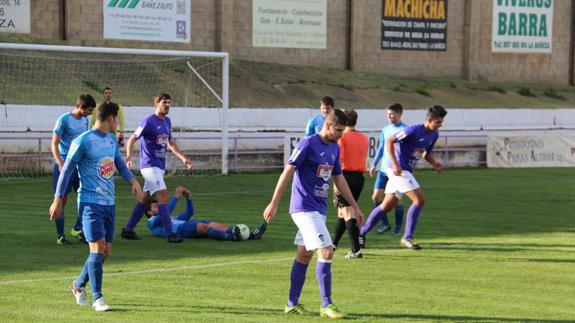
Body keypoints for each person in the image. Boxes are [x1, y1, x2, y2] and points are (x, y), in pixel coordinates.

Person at [263, 109, 363, 319]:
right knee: (326, 251)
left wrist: (354, 206)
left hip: (318, 209)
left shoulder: (335, 148)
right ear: (327, 125)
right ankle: (327, 305)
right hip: (303, 208)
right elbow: (287, 171)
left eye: (342, 131)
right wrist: (273, 203)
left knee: (304, 254)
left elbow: (339, 179)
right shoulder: (307, 143)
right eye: (337, 130)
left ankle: (291, 304)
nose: (340, 135)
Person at [49, 102, 143, 311]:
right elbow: (66, 172)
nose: (117, 122)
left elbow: (119, 164)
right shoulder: (82, 141)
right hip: (90, 203)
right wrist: (58, 199)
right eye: (116, 118)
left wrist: (134, 182)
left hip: (109, 203)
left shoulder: (110, 139)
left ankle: (77, 285)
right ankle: (98, 298)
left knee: (105, 252)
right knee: (97, 248)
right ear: (110, 118)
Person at [361, 105, 447, 250]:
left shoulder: (434, 134)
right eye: (438, 122)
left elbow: (425, 153)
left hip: (405, 171)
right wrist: (395, 165)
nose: (440, 125)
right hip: (399, 171)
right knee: (419, 200)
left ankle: (360, 233)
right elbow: (390, 141)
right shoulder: (412, 130)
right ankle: (407, 237)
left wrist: (435, 164)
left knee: (387, 205)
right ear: (430, 119)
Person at [122, 92, 193, 243]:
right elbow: (132, 139)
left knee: (145, 200)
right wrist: (128, 158)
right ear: (157, 103)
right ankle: (170, 233)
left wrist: (183, 158)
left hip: (159, 166)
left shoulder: (167, 121)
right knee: (163, 195)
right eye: (164, 102)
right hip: (149, 165)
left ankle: (127, 230)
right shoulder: (148, 121)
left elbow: (170, 142)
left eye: (169, 102)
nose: (167, 105)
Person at [50, 94, 96, 245]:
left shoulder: (85, 120)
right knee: (61, 200)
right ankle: (60, 236)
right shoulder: (63, 119)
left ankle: (77, 229)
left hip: (80, 166)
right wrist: (61, 163)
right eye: (89, 110)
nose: (91, 113)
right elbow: (54, 144)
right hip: (64, 165)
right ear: (81, 107)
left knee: (86, 196)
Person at [147, 186, 267, 241]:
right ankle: (233, 237)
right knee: (203, 227)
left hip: (187, 224)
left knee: (219, 226)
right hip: (181, 230)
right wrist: (176, 197)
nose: (157, 205)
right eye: (154, 205)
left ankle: (251, 236)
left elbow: (189, 212)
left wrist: (189, 198)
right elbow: (165, 213)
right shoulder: (151, 222)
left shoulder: (170, 218)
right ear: (148, 212)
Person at [367, 103, 407, 242]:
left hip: (396, 170)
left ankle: (397, 228)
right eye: (388, 114)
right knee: (376, 197)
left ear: (399, 114)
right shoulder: (385, 129)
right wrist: (374, 164)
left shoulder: (405, 130)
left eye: (392, 114)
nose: (389, 116)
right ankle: (385, 223)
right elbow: (381, 147)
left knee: (396, 200)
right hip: (383, 170)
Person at [331, 109, 368, 259]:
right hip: (359, 178)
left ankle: (355, 250)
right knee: (343, 213)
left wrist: (336, 183)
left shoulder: (343, 138)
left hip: (345, 177)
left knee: (347, 213)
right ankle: (333, 244)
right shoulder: (364, 138)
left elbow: (339, 160)